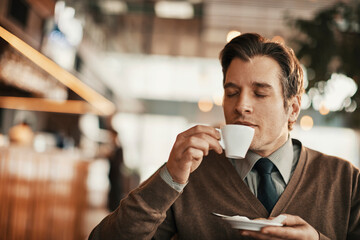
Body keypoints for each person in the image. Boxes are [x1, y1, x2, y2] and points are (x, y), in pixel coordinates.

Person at [89, 33, 360, 239]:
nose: (240, 105)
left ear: (293, 109)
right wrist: (170, 178)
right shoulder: (189, 175)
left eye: (260, 93)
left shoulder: (345, 180)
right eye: (232, 93)